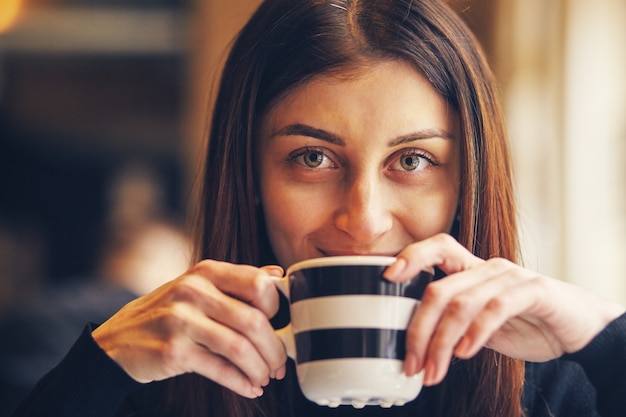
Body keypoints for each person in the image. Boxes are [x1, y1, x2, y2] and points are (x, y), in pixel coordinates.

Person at [10, 0, 626, 416]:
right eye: (312, 158)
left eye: (412, 161)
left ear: (467, 182)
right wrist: (98, 371)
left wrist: (602, 338)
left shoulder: (556, 391)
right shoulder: (151, 390)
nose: (363, 219)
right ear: (248, 174)